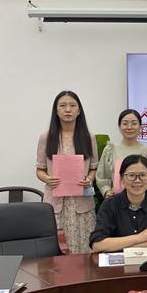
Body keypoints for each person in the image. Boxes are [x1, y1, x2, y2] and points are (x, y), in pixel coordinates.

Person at [36, 90, 98, 253]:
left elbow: (93, 167)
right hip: (56, 202)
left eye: (72, 105)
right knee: (56, 250)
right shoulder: (46, 137)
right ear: (56, 111)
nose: (68, 109)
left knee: (83, 249)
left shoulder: (88, 137)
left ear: (79, 110)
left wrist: (89, 179)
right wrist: (47, 178)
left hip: (81, 202)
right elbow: (40, 169)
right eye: (62, 105)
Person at [89, 155, 147, 253]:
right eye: (131, 175)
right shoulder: (110, 204)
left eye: (143, 175)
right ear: (122, 178)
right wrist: (140, 237)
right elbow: (97, 244)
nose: (137, 180)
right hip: (117, 262)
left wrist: (118, 245)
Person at [96, 109, 147, 198]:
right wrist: (106, 191)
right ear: (119, 126)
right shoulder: (110, 149)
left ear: (140, 126)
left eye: (134, 123)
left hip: (141, 200)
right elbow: (102, 176)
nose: (129, 127)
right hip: (115, 200)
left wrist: (145, 172)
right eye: (125, 123)